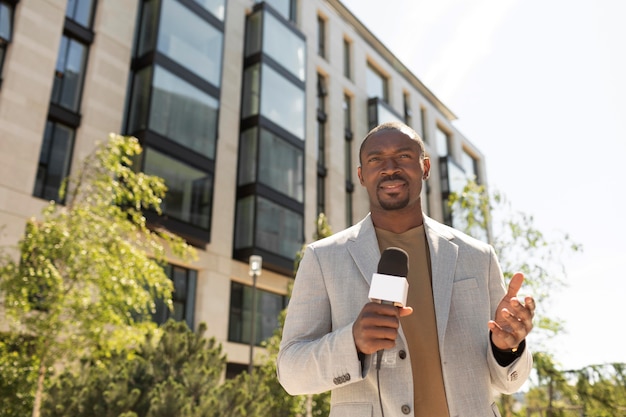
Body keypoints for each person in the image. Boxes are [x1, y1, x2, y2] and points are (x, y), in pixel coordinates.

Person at [276, 121, 535, 417]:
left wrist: (506, 349)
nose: (390, 168)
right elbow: (290, 372)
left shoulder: (478, 257)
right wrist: (353, 343)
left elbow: (511, 381)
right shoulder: (323, 258)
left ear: (425, 167)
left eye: (403, 156)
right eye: (375, 159)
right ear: (361, 175)